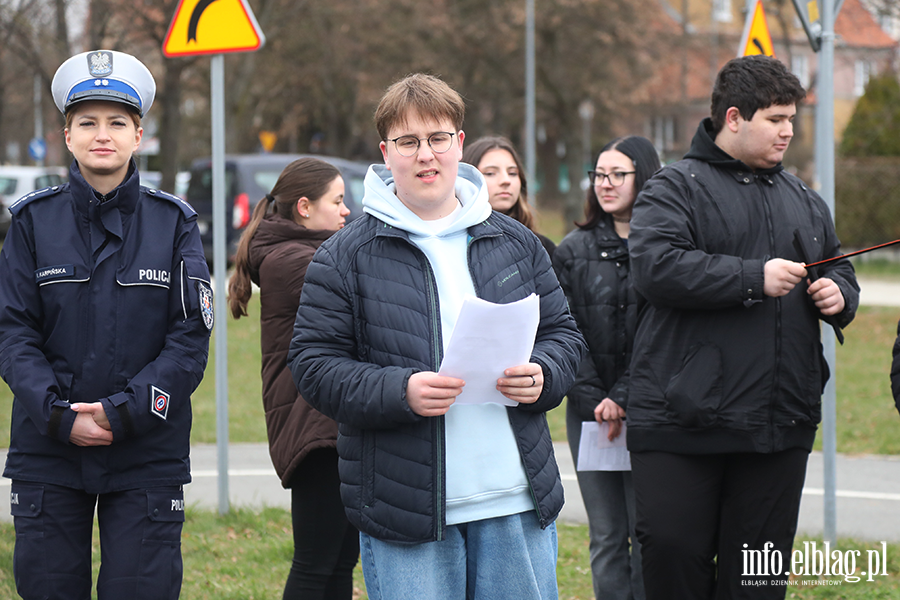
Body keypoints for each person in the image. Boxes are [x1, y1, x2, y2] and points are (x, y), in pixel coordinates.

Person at [287, 73, 586, 600]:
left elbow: (563, 335)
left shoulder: (514, 241)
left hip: (515, 498)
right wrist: (401, 391)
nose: (426, 155)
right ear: (386, 152)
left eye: (438, 138)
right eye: (408, 141)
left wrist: (543, 375)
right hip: (406, 509)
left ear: (460, 144)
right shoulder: (344, 255)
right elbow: (313, 365)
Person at [626, 55, 859, 599]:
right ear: (734, 117)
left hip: (779, 424)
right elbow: (656, 267)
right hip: (682, 424)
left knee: (755, 583)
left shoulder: (804, 198)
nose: (788, 131)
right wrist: (752, 277)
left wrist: (838, 293)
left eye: (792, 119)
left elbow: (837, 265)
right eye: (776, 119)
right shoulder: (673, 187)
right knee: (673, 558)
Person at [0, 50, 212, 599]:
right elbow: (12, 332)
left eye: (117, 122)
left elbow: (189, 338)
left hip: (146, 452)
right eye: (87, 122)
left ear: (138, 135)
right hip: (49, 450)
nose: (103, 134)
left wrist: (124, 413)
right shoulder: (30, 223)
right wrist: (56, 415)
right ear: (66, 136)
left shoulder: (174, 225)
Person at [227, 157, 358, 599]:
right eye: (338, 201)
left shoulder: (308, 253)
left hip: (331, 422)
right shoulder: (294, 262)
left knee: (339, 563)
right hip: (314, 427)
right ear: (304, 207)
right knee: (315, 565)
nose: (346, 211)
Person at [552, 135, 660, 600]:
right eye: (599, 175)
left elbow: (665, 335)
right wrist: (599, 400)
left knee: (649, 533)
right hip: (589, 415)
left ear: (645, 177)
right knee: (608, 536)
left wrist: (626, 397)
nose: (606, 184)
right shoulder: (572, 250)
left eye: (618, 174)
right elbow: (560, 329)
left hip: (653, 411)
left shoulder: (665, 248)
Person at [463, 136, 557, 257]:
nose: (506, 180)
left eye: (512, 173)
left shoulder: (543, 248)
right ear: (468, 180)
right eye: (490, 173)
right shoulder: (453, 245)